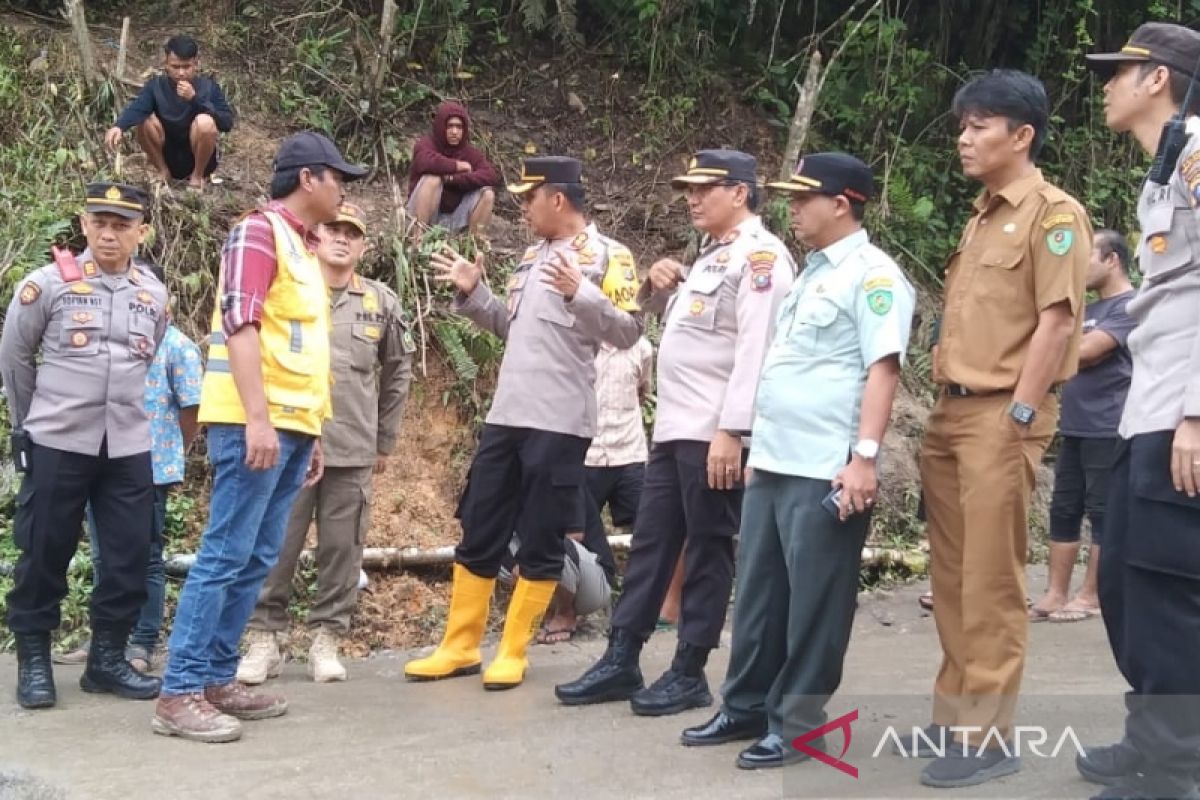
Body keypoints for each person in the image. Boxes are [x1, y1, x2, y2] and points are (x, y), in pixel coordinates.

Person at [682, 153, 914, 769]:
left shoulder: (873, 276)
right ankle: (747, 705)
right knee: (759, 594)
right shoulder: (811, 273)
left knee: (816, 600)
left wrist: (863, 458)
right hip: (777, 460)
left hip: (825, 465)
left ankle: (799, 723)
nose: (792, 208)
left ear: (841, 203)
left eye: (803, 198)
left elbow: (882, 369)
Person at [555, 149, 795, 717]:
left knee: (709, 548)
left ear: (739, 192)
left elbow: (756, 352)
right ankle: (623, 655)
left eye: (703, 187)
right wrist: (656, 287)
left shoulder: (761, 259)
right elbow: (680, 335)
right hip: (673, 431)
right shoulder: (711, 257)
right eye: (687, 187)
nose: (690, 197)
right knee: (652, 546)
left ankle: (689, 669)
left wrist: (734, 431)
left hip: (716, 434)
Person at [152, 132, 366, 743]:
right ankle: (180, 690)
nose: (342, 188)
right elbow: (240, 324)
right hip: (257, 423)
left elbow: (299, 349)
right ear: (308, 179)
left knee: (255, 558)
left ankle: (217, 677)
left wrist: (312, 429)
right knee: (225, 554)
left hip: (293, 427)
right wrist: (257, 418)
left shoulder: (303, 246)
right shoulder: (258, 232)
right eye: (337, 176)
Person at [404, 155, 642, 690]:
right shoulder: (531, 256)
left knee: (540, 533)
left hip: (559, 421)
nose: (522, 208)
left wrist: (580, 291)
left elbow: (627, 332)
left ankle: (513, 650)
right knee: (482, 523)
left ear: (557, 199)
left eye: (528, 197)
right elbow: (515, 329)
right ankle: (460, 646)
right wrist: (474, 292)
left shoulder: (608, 257)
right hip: (507, 415)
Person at [914, 70, 1090, 788]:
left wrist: (1020, 411)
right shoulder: (981, 215)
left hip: (998, 416)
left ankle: (986, 736)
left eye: (979, 125)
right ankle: (956, 712)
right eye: (962, 125)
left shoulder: (1055, 215)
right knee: (953, 579)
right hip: (950, 414)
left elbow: (1058, 320)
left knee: (990, 581)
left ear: (1022, 135)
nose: (964, 138)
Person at [1078, 24, 1200, 800]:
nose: (1105, 86)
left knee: (1164, 594)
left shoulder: (1197, 154)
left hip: (1180, 412)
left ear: (1157, 78)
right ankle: (1150, 735)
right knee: (1126, 583)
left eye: (1116, 73)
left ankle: (1175, 769)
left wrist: (1197, 413)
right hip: (1146, 407)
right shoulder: (1166, 166)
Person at [0, 182, 168, 709]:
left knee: (128, 556)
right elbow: (15, 359)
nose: (109, 234)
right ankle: (34, 661)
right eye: (100, 223)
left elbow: (150, 355)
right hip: (58, 440)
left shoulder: (153, 293)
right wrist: (27, 427)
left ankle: (107, 661)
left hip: (126, 445)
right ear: (84, 224)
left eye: (122, 225)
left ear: (141, 231)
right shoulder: (46, 285)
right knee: (43, 550)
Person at [239, 202, 414, 684]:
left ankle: (326, 638)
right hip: (290, 439)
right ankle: (263, 638)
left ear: (363, 246)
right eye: (333, 229)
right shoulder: (289, 292)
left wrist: (385, 440)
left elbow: (398, 371)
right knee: (275, 544)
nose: (341, 239)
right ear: (314, 238)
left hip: (352, 445)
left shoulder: (380, 302)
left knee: (343, 548)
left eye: (351, 233)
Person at [55, 263, 204, 673]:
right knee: (106, 559)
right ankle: (105, 641)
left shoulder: (177, 347)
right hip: (97, 464)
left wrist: (172, 449)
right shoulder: (107, 344)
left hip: (149, 470)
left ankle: (142, 642)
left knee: (147, 558)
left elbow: (193, 409)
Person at [1028, 230, 1135, 624]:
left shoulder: (1132, 305)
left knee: (1102, 512)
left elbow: (1088, 351)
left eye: (1087, 256)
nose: (1077, 265)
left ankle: (1093, 594)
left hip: (1110, 426)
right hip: (1073, 425)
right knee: (1064, 508)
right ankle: (1056, 593)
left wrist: (1057, 347)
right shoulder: (1086, 310)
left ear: (1112, 260)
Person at [103, 36, 234, 190]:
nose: (181, 73)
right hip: (166, 155)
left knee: (205, 122)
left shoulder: (209, 87)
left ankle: (197, 177)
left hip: (199, 158)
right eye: (175, 67)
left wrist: (194, 99)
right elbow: (138, 107)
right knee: (144, 120)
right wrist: (119, 126)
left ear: (196, 64)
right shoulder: (156, 86)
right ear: (166, 64)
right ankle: (163, 173)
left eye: (186, 67)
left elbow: (226, 123)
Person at [406, 100, 498, 235]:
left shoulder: (469, 153)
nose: (455, 132)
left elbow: (490, 175)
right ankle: (417, 241)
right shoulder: (426, 144)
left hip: (451, 219)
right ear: (441, 126)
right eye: (450, 126)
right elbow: (424, 161)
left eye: (459, 127)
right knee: (433, 179)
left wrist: (451, 179)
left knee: (488, 195)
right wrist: (457, 166)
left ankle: (473, 246)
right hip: (419, 216)